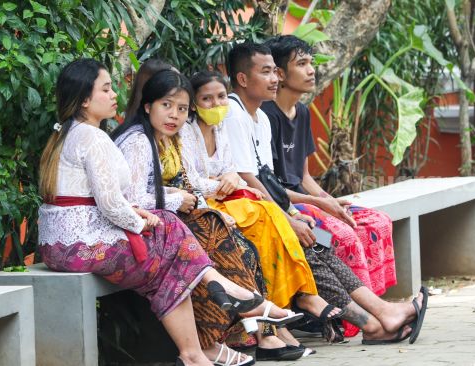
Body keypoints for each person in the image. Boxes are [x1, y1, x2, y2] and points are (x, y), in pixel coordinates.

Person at [37, 58, 269, 366]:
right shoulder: (93, 137)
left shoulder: (71, 132)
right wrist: (140, 221)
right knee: (169, 241)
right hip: (81, 246)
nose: (114, 94)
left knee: (169, 236)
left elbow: (99, 199)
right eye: (106, 89)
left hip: (63, 245)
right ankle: (201, 336)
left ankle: (198, 347)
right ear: (83, 99)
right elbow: (109, 203)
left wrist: (141, 216)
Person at [222, 42, 428, 345]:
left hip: (270, 210)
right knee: (308, 249)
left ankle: (381, 313)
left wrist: (296, 214)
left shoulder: (260, 119)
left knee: (320, 245)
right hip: (245, 214)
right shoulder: (232, 115)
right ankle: (372, 322)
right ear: (242, 79)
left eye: (274, 72)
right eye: (266, 72)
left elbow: (270, 184)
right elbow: (248, 183)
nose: (275, 79)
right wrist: (291, 219)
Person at [112, 69, 308, 363]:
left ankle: (234, 328)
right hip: (141, 226)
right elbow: (133, 199)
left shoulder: (170, 138)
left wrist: (221, 190)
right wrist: (181, 199)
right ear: (148, 105)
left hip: (169, 219)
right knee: (214, 237)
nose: (174, 115)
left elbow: (190, 182)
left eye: (180, 109)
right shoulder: (138, 141)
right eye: (166, 105)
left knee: (237, 243)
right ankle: (237, 322)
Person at [182, 70, 350, 351]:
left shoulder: (222, 128)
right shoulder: (188, 132)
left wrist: (233, 180)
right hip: (205, 205)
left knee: (273, 217)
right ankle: (278, 321)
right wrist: (227, 182)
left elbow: (231, 172)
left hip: (229, 198)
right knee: (261, 227)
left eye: (221, 97)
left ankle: (302, 297)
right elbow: (192, 181)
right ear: (194, 104)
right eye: (207, 99)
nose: (216, 104)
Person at [261, 35, 398, 335]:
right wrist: (321, 206)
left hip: (310, 200)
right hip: (289, 205)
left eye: (311, 63)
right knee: (340, 236)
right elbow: (271, 185)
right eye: (302, 64)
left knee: (377, 223)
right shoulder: (265, 117)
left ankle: (379, 306)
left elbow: (306, 176)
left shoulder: (304, 112)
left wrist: (332, 201)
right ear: (280, 74)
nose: (311, 70)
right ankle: (350, 321)